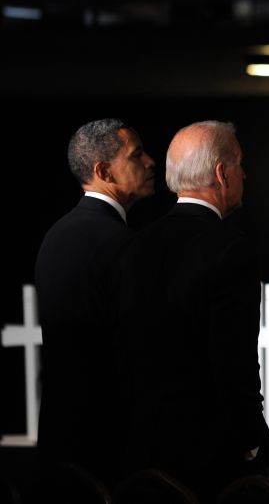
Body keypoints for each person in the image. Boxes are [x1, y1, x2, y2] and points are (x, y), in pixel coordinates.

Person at [118, 120, 269, 501]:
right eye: (239, 163)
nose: (244, 173)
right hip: (207, 449)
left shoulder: (135, 245)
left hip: (139, 442)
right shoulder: (230, 248)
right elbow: (232, 355)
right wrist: (253, 436)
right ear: (222, 174)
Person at [34, 119, 156, 488]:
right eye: (136, 155)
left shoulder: (54, 235)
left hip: (60, 435)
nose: (151, 162)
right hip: (110, 442)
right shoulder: (124, 245)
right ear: (104, 171)